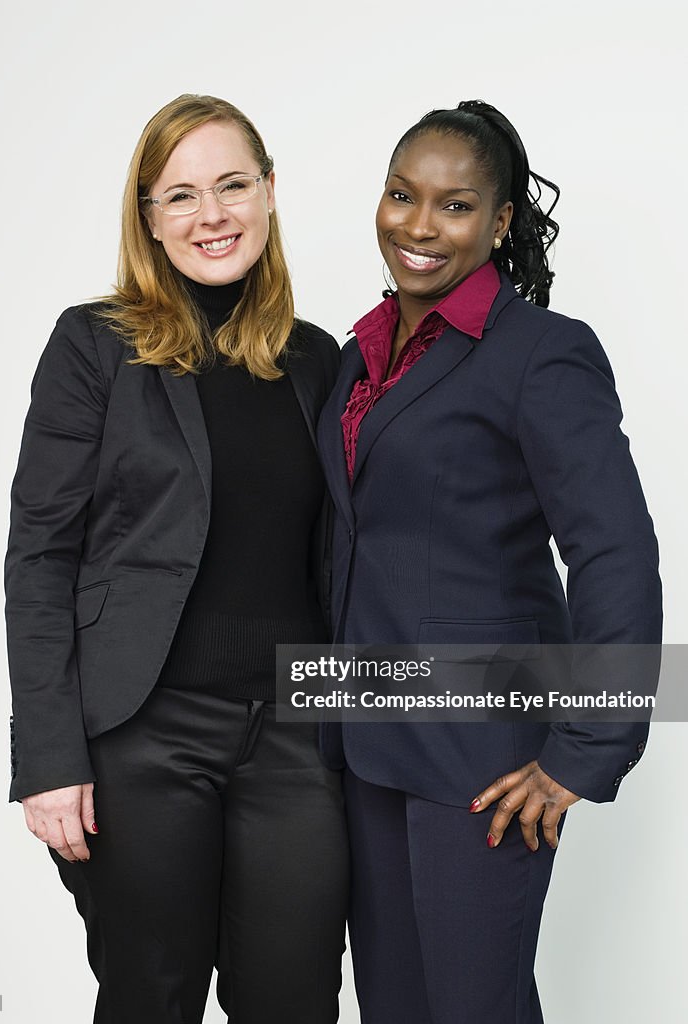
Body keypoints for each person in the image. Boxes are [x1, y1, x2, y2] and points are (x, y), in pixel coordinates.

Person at [5, 93, 348, 1024]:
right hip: (141, 733)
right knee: (151, 997)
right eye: (182, 196)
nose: (213, 215)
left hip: (298, 736)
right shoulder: (94, 348)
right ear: (150, 220)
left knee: (296, 1000)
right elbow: (38, 556)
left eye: (233, 185)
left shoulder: (322, 362)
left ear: (271, 192)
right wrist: (46, 757)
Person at [317, 101, 661, 1024]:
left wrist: (585, 749)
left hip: (484, 761)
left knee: (477, 1008)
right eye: (401, 195)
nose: (419, 226)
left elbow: (615, 550)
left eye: (455, 205)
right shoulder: (357, 357)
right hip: (368, 745)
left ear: (500, 222)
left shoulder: (543, 355)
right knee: (394, 1007)